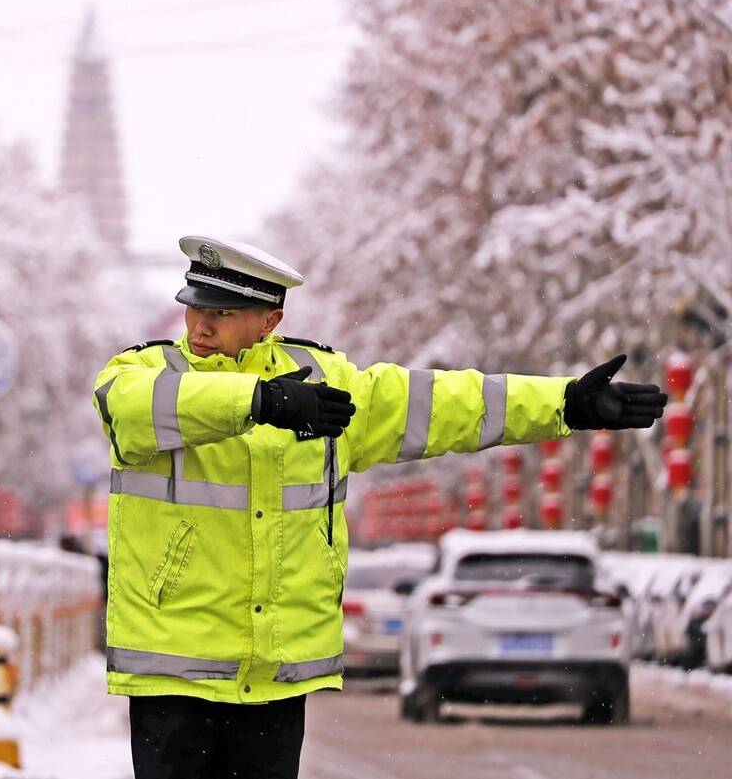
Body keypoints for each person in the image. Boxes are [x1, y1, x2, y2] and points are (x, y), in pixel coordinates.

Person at [92, 235, 667, 779]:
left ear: (270, 321)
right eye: (195, 308)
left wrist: (565, 403)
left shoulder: (327, 385)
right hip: (173, 672)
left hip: (271, 675)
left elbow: (446, 404)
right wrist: (260, 400)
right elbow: (132, 409)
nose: (199, 325)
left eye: (221, 313)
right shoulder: (144, 374)